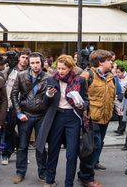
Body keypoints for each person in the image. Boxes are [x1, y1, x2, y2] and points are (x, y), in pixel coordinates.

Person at [36, 55, 89, 187]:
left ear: (71, 68)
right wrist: (48, 95)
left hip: (73, 118)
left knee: (72, 154)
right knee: (53, 150)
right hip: (56, 116)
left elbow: (86, 101)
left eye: (63, 68)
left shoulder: (80, 80)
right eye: (58, 68)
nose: (60, 71)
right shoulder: (51, 79)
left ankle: (68, 183)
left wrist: (81, 105)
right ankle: (49, 180)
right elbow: (44, 103)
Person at [78, 50, 115, 187]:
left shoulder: (111, 76)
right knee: (93, 147)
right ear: (100, 62)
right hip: (91, 118)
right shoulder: (87, 75)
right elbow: (77, 95)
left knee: (97, 146)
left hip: (105, 118)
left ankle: (85, 173)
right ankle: (87, 177)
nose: (112, 62)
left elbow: (112, 96)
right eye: (109, 60)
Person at [11, 52, 49, 184]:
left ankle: (43, 172)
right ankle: (20, 172)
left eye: (37, 62)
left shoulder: (48, 77)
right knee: (22, 146)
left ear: (42, 62)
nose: (35, 65)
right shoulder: (21, 76)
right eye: (32, 63)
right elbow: (14, 94)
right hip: (25, 114)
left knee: (40, 146)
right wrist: (18, 112)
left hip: (42, 115)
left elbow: (52, 99)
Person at [2, 48, 31, 165]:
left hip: (25, 106)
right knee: (9, 131)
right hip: (11, 105)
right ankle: (6, 154)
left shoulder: (30, 72)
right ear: (19, 57)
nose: (25, 60)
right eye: (23, 57)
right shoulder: (10, 71)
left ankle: (22, 155)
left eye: (27, 58)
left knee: (24, 132)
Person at [115, 65, 127, 135]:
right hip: (117, 97)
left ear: (123, 71)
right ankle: (121, 128)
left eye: (119, 72)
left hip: (124, 97)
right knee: (119, 113)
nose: (118, 74)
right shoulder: (116, 77)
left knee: (122, 113)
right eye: (116, 72)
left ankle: (120, 129)